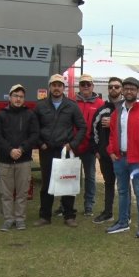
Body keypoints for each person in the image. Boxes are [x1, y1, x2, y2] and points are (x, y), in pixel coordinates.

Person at [106, 77, 139, 238]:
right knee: (122, 191)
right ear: (122, 90)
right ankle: (123, 222)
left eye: (132, 89)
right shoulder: (118, 111)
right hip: (120, 158)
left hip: (138, 161)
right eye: (126, 88)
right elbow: (113, 133)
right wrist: (111, 151)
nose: (129, 91)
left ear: (138, 91)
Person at [34, 74, 86, 228]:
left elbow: (82, 127)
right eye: (54, 85)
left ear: (64, 87)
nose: (56, 88)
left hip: (66, 150)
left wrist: (73, 144)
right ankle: (45, 216)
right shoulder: (41, 106)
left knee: (67, 181)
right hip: (47, 150)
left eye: (59, 85)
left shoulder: (72, 106)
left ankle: (69, 216)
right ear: (49, 87)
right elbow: (34, 128)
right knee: (46, 183)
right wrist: (40, 143)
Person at [0, 84, 39, 231]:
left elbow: (34, 135)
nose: (18, 99)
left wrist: (21, 149)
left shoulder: (30, 115)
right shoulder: (1, 115)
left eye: (21, 97)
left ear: (24, 99)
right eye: (15, 96)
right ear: (10, 97)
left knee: (22, 193)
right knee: (6, 193)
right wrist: (9, 150)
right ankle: (8, 219)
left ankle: (20, 219)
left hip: (23, 160)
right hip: (6, 161)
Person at [90, 77, 124, 224]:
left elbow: (132, 129)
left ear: (121, 89)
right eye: (111, 87)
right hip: (105, 155)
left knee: (123, 185)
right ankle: (108, 212)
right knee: (109, 183)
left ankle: (125, 213)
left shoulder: (126, 109)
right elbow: (93, 131)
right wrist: (97, 151)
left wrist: (114, 123)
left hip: (123, 155)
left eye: (117, 87)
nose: (114, 89)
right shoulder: (101, 110)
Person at [74, 74, 104, 216]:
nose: (85, 86)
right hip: (73, 145)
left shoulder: (100, 104)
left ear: (93, 86)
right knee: (70, 175)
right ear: (79, 86)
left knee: (90, 177)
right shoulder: (72, 102)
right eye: (83, 84)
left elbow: (102, 127)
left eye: (88, 84)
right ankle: (67, 205)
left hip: (89, 146)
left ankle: (89, 205)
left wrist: (98, 146)